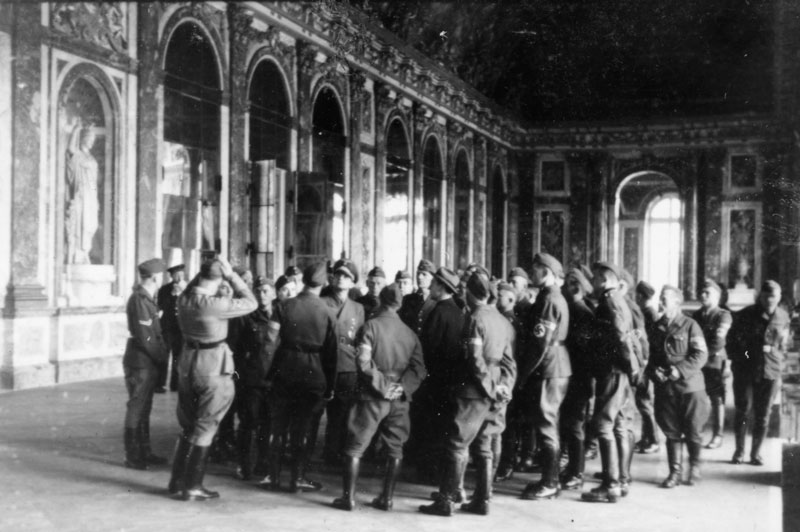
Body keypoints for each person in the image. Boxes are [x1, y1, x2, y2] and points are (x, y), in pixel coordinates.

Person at [419, 272, 515, 517]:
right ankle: (482, 500)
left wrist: (489, 387)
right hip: (495, 388)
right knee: (484, 446)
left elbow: (474, 360)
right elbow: (508, 361)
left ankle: (446, 500)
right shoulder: (501, 320)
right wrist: (503, 387)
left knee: (456, 444)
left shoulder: (474, 319)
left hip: (474, 390)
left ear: (470, 294)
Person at [168, 257, 257, 501]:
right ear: (219, 278)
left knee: (188, 425)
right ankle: (193, 485)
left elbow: (194, 286)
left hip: (187, 363)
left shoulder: (184, 298)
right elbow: (251, 302)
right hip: (213, 365)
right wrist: (232, 277)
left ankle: (176, 482)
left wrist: (215, 275)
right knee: (206, 425)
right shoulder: (216, 304)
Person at [332, 284, 427, 511]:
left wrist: (383, 386)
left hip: (372, 396)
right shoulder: (410, 333)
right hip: (399, 399)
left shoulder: (370, 327)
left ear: (380, 301)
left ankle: (349, 498)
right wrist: (401, 388)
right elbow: (419, 370)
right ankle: (387, 499)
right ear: (400, 304)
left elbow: (363, 363)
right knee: (395, 448)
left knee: (355, 446)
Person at [264, 263, 337, 492]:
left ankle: (274, 478)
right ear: (324, 283)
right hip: (313, 374)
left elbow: (270, 340)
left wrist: (269, 373)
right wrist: (330, 385)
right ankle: (297, 479)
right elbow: (331, 353)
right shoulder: (327, 311)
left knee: (277, 428)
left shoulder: (284, 305)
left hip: (284, 370)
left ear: (303, 280)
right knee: (303, 429)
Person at [581, 261, 637, 503]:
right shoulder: (615, 299)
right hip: (616, 370)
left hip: (612, 371)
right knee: (618, 424)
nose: (591, 283)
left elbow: (621, 337)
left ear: (604, 280)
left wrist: (630, 366)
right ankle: (620, 480)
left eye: (594, 279)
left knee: (604, 424)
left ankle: (611, 484)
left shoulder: (610, 301)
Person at [519, 253, 571, 500]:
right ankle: (550, 480)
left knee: (547, 423)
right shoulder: (548, 297)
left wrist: (524, 373)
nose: (532, 274)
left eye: (537, 270)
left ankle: (550, 482)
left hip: (550, 367)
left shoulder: (549, 299)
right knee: (547, 422)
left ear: (548, 272)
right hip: (554, 366)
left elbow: (540, 343)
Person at [646, 285, 709, 487]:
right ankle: (674, 472)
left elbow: (701, 354)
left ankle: (695, 468)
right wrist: (653, 370)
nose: (661, 302)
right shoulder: (656, 327)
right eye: (661, 298)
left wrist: (678, 370)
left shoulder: (690, 325)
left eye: (665, 298)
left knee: (693, 431)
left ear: (677, 302)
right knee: (671, 431)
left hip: (690, 387)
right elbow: (650, 357)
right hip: (666, 388)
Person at [407, 267, 465, 485]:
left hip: (433, 382)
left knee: (429, 428)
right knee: (443, 428)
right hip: (449, 381)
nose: (430, 286)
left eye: (433, 283)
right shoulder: (457, 311)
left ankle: (428, 473)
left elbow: (426, 350)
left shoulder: (439, 312)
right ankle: (439, 473)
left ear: (441, 286)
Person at [728, 280, 791, 465]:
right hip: (746, 370)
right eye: (767, 296)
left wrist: (776, 355)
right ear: (760, 296)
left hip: (770, 371)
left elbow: (785, 345)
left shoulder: (783, 317)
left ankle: (755, 453)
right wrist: (749, 354)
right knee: (743, 411)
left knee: (763, 413)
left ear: (779, 298)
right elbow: (733, 343)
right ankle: (739, 452)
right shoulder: (746, 315)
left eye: (774, 296)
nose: (770, 300)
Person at [123, 258, 169, 470]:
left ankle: (144, 451)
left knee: (144, 406)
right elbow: (145, 336)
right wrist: (161, 356)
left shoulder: (147, 298)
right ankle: (133, 455)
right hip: (141, 360)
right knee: (137, 406)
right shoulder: (140, 299)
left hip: (146, 360)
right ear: (154, 277)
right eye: (160, 275)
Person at [321, 259, 366, 464]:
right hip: (324, 363)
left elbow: (360, 338)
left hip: (348, 366)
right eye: (338, 275)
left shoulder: (358, 308)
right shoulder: (322, 303)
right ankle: (325, 453)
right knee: (322, 412)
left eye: (346, 276)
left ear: (353, 282)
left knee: (344, 412)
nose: (341, 279)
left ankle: (339, 454)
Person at [233, 276, 278, 483]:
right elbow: (236, 349)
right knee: (248, 422)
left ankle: (263, 462)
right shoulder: (246, 316)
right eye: (258, 291)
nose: (262, 295)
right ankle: (243, 464)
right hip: (251, 379)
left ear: (274, 294)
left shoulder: (280, 316)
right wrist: (240, 376)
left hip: (273, 379)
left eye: (266, 291)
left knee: (268, 424)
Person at [558, 266, 596, 490]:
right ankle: (572, 467)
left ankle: (577, 471)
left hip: (579, 377)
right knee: (569, 424)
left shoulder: (582, 311)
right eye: (567, 283)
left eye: (573, 284)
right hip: (571, 375)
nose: (567, 288)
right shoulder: (573, 308)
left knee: (574, 425)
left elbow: (583, 349)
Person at [692, 279, 732, 449]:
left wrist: (700, 356)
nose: (703, 295)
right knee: (699, 398)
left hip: (714, 362)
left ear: (717, 296)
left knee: (717, 399)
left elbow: (718, 341)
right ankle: (697, 432)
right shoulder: (696, 315)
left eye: (707, 293)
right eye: (702, 292)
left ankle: (718, 435)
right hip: (698, 363)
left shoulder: (723, 315)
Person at [157, 263, 186, 393]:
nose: (179, 278)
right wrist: (172, 295)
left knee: (178, 356)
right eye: (176, 275)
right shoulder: (164, 289)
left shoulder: (187, 289)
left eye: (181, 275)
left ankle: (176, 384)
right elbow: (161, 306)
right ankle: (160, 384)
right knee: (164, 354)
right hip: (167, 327)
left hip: (181, 327)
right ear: (172, 276)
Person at [399, 259, 437, 333]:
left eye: (424, 274)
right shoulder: (407, 300)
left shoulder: (437, 301)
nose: (419, 277)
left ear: (432, 278)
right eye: (418, 273)